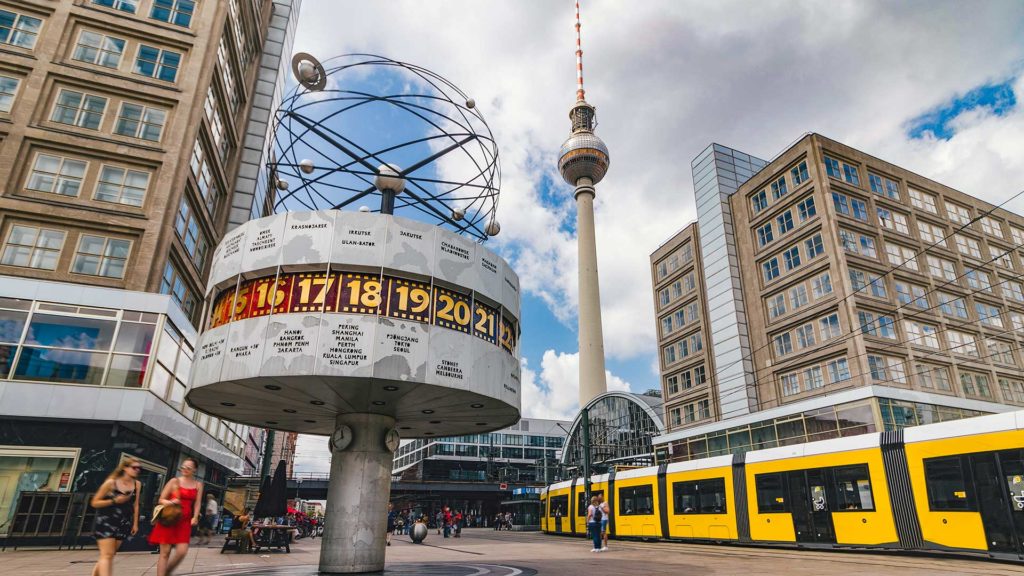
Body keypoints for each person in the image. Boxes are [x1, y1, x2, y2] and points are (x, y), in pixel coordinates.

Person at [149, 457, 203, 576]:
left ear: (194, 470)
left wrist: (195, 517)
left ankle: (167, 572)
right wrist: (171, 502)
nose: (185, 469)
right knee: (165, 553)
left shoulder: (198, 485)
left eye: (188, 468)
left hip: (184, 521)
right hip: (170, 519)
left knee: (182, 552)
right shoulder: (174, 481)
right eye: (183, 467)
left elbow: (198, 503)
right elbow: (161, 499)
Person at [90, 458, 142, 576]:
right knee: (107, 555)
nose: (137, 470)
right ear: (125, 467)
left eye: (139, 468)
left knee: (110, 554)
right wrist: (114, 501)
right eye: (134, 467)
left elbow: (136, 504)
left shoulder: (137, 484)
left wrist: (135, 523)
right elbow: (94, 502)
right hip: (106, 522)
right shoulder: (111, 483)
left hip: (124, 522)